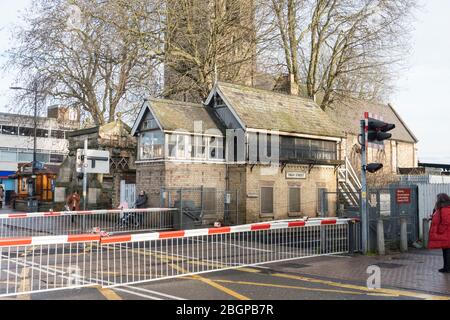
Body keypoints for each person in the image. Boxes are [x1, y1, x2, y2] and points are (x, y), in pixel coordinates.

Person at [428, 193, 450, 273]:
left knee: (447, 251)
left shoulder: (445, 208)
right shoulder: (443, 208)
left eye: (437, 199)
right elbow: (440, 218)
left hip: (446, 233)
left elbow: (446, 221)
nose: (436, 200)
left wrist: (440, 230)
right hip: (446, 233)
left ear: (441, 199)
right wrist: (432, 218)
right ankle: (446, 267)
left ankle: (447, 268)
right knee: (445, 250)